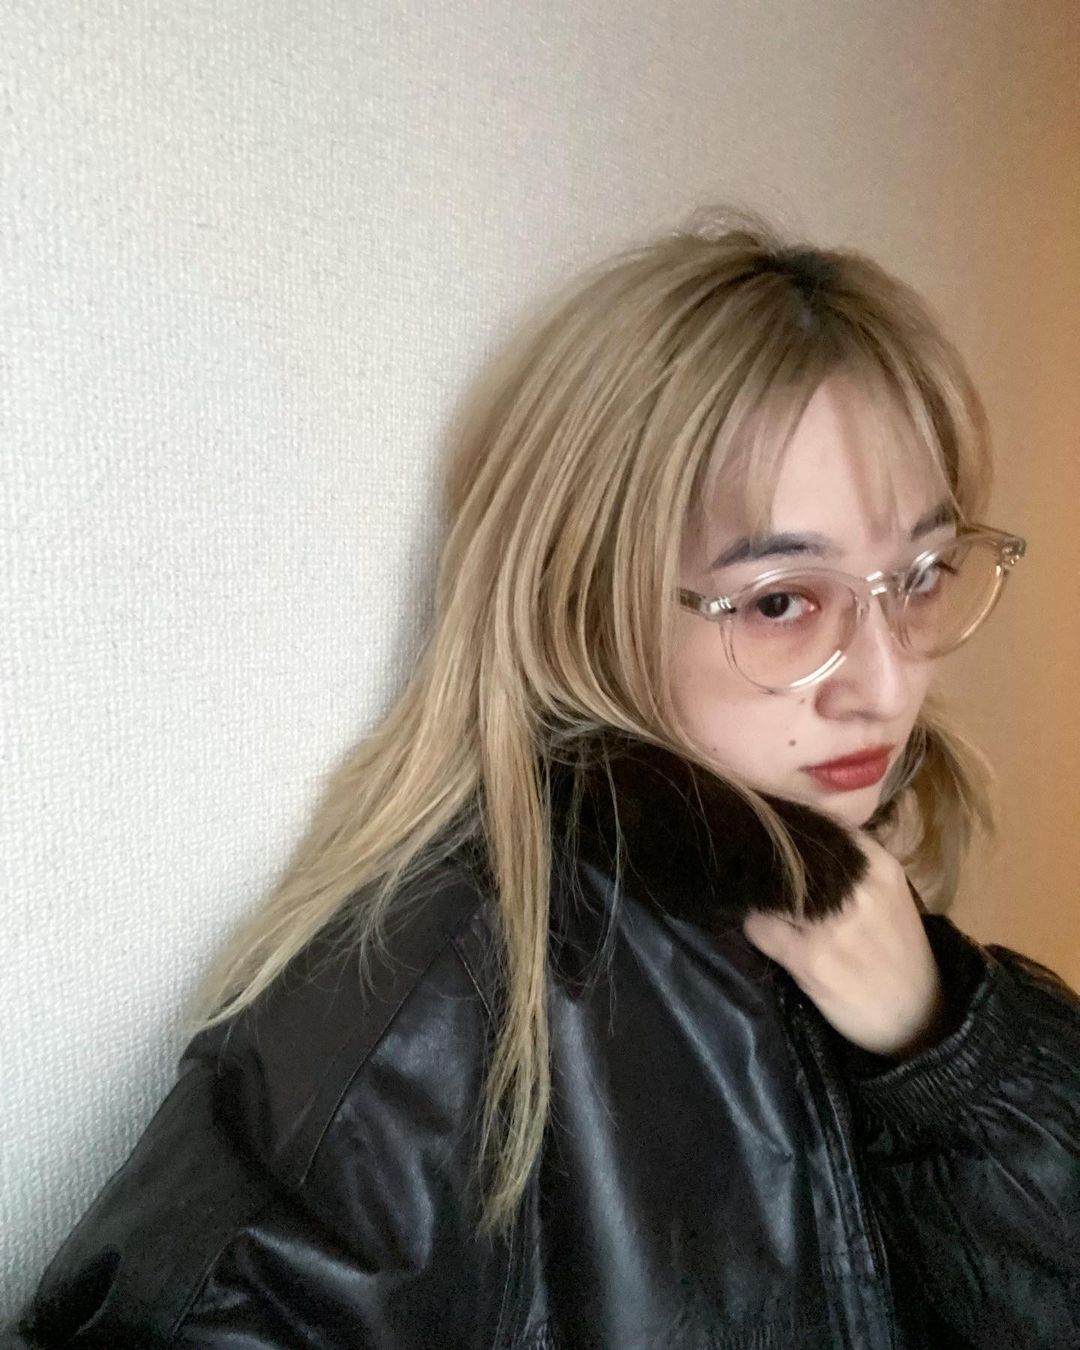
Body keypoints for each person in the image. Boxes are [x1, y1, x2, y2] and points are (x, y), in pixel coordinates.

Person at [11, 208, 1079, 1349]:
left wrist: (947, 1050)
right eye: (780, 601)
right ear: (587, 595)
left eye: (920, 575)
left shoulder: (859, 897)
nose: (886, 682)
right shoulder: (439, 1000)